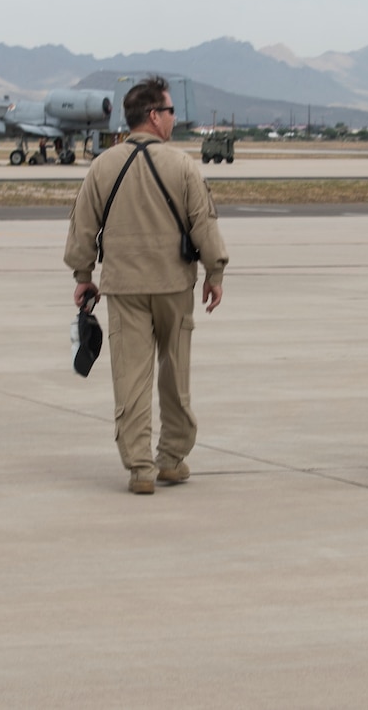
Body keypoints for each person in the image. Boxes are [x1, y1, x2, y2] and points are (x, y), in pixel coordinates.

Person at [64, 77, 228, 494]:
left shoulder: (102, 165)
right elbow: (203, 223)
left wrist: (83, 277)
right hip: (174, 284)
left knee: (131, 376)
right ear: (154, 116)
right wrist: (215, 272)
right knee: (175, 373)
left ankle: (140, 468)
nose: (174, 118)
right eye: (170, 111)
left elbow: (82, 225)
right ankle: (171, 459)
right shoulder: (182, 165)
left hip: (124, 287)